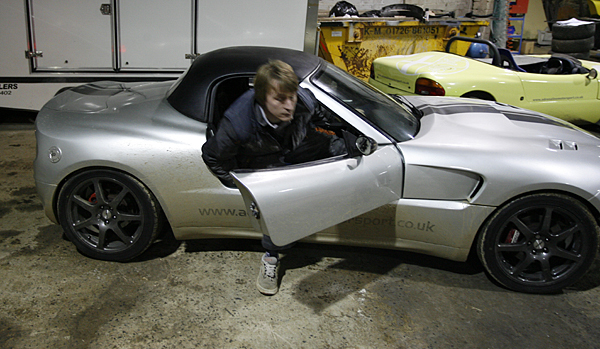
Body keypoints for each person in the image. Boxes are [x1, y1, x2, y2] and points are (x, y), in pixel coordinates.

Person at [201, 60, 345, 295]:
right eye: (280, 99)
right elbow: (212, 156)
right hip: (261, 159)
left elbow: (320, 114)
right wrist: (243, 187)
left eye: (292, 96)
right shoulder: (237, 124)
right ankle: (271, 259)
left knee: (346, 152)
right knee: (276, 206)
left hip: (297, 142)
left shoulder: (304, 102)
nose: (289, 105)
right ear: (261, 99)